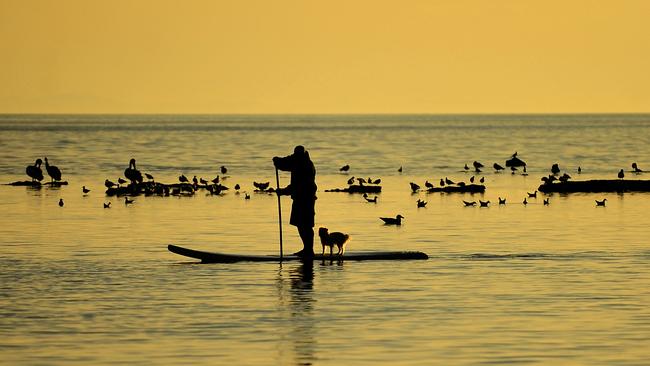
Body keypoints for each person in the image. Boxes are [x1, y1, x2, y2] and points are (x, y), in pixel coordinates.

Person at [273, 146, 317, 258]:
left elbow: (298, 186)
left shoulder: (305, 165)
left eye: (296, 155)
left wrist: (283, 191)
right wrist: (278, 161)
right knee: (300, 224)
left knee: (305, 225)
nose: (294, 157)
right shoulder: (298, 161)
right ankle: (306, 249)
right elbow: (287, 163)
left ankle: (309, 250)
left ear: (301, 154)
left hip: (306, 198)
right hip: (299, 198)